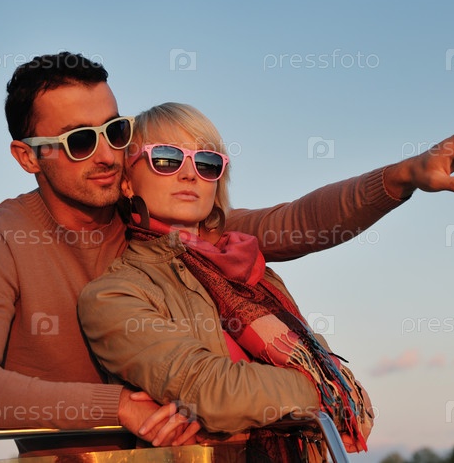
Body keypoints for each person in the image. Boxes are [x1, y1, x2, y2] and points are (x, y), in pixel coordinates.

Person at [0, 52, 454, 450]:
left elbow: (296, 222)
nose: (104, 155)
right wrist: (115, 407)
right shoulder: (3, 239)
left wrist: (404, 176)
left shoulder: (166, 227)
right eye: (78, 141)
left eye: (115, 131)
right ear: (28, 156)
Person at [78, 103, 374, 460]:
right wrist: (327, 387)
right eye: (167, 158)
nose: (190, 175)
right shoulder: (114, 293)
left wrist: (323, 385)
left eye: (206, 163)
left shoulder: (256, 274)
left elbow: (334, 379)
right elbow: (214, 394)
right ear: (127, 181)